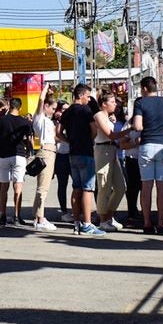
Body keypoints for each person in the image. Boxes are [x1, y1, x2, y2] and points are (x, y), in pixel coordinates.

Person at [131, 78, 163, 234]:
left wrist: (145, 126)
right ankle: (161, 223)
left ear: (144, 88)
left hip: (147, 145)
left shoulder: (140, 103)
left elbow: (137, 126)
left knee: (146, 186)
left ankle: (147, 223)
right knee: (162, 186)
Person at [59, 85, 103, 236]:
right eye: (88, 96)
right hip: (85, 152)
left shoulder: (67, 111)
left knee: (76, 187)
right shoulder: (86, 111)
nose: (89, 99)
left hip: (73, 153)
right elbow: (94, 130)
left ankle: (76, 222)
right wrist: (89, 140)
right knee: (87, 189)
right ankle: (87, 224)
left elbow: (58, 132)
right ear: (82, 95)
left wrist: (69, 141)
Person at [0, 96, 34, 227]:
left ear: (10, 106)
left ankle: (3, 215)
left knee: (3, 187)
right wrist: (29, 150)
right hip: (19, 155)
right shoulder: (25, 122)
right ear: (19, 107)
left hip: (3, 156)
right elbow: (30, 140)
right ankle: (16, 215)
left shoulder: (2, 120)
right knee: (18, 186)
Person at [91, 92, 127, 231]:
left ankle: (109, 216)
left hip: (112, 150)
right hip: (103, 150)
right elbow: (110, 135)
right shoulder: (99, 116)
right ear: (104, 104)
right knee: (104, 187)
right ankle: (102, 219)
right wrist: (128, 131)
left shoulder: (110, 117)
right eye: (112, 101)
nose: (115, 104)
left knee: (120, 187)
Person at [29, 93, 59, 230]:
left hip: (51, 151)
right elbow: (40, 102)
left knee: (43, 186)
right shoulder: (39, 119)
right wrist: (44, 90)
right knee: (43, 188)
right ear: (46, 106)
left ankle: (38, 217)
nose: (54, 111)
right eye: (52, 108)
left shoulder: (48, 121)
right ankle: (40, 219)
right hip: (46, 152)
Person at [52, 101, 71, 220]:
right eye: (63, 109)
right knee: (62, 184)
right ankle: (64, 211)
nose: (65, 112)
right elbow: (54, 137)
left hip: (72, 155)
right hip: (61, 156)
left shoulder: (71, 121)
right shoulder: (54, 123)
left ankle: (77, 209)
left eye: (67, 110)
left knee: (77, 184)